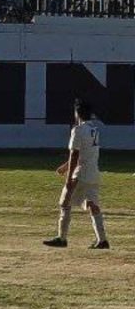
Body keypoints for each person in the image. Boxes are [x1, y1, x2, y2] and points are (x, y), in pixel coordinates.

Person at [44, 100, 109, 249]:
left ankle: (62, 238)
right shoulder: (94, 130)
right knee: (93, 205)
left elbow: (75, 155)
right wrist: (65, 167)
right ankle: (102, 240)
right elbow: (85, 153)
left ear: (77, 113)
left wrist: (68, 177)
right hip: (93, 173)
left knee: (64, 203)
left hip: (80, 174)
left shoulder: (78, 130)